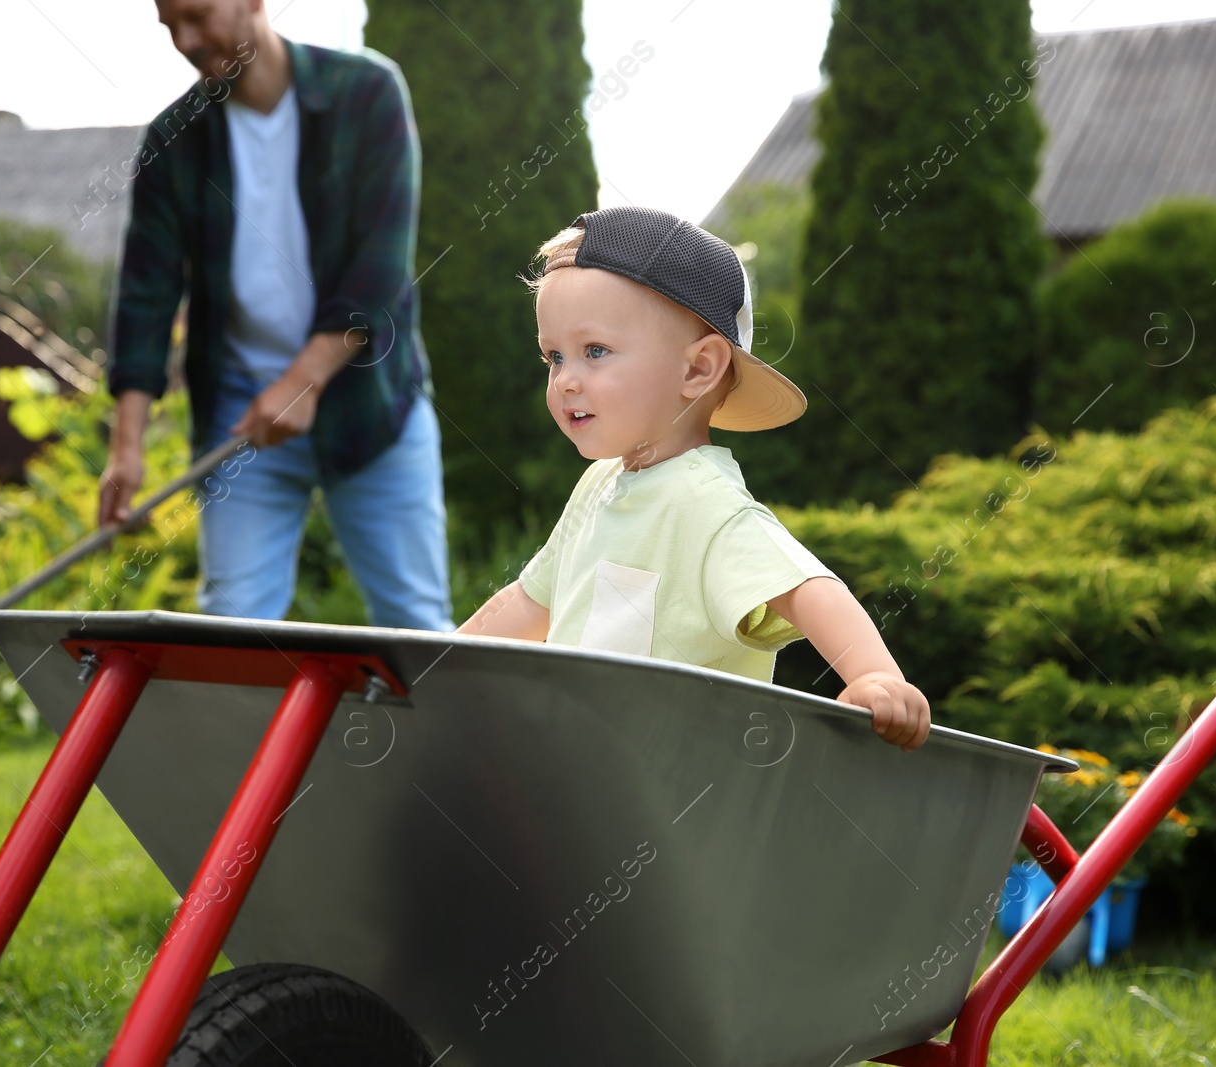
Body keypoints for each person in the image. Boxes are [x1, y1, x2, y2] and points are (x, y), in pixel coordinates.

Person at [457, 206, 931, 750]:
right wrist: (434, 666)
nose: (565, 380)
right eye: (554, 357)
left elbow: (808, 588)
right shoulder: (599, 486)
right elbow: (530, 601)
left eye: (595, 352)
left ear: (697, 369)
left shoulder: (705, 503)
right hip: (583, 777)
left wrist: (876, 678)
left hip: (674, 796)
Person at [98, 0, 454, 631]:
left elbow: (380, 268)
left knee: (416, 625)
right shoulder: (172, 142)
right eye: (169, 26)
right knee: (230, 632)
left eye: (198, 16)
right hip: (243, 415)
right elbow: (146, 295)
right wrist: (127, 447)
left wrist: (304, 381)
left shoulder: (367, 93)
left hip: (371, 406)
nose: (185, 39)